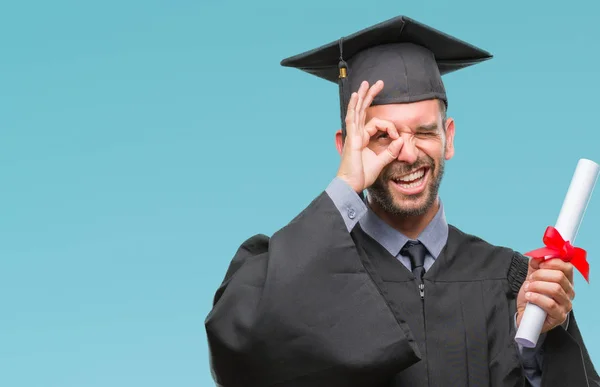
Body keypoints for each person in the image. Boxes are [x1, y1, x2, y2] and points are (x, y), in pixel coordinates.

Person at [204, 15, 599, 387]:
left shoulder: (513, 282)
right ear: (346, 148)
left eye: (424, 132)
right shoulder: (305, 271)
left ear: (450, 138)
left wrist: (537, 346)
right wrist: (346, 185)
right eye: (383, 137)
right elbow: (235, 346)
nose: (407, 153)